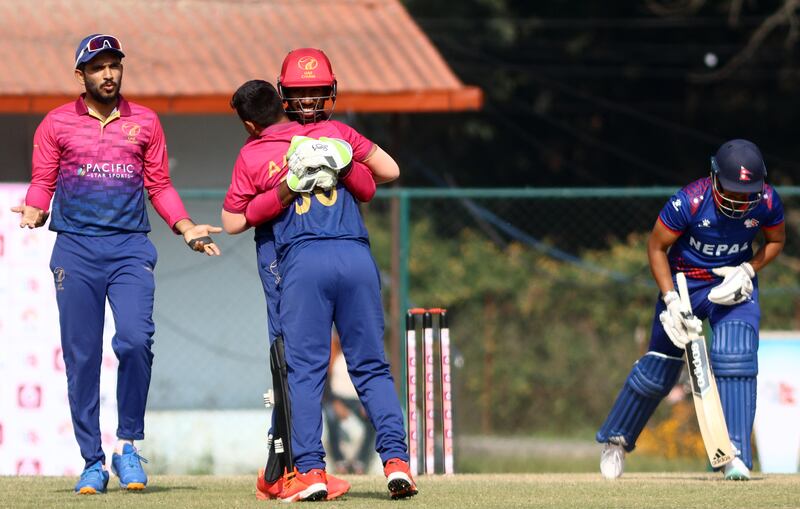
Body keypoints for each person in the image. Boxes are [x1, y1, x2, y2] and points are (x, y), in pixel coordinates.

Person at [12, 34, 221, 494]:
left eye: (114, 66)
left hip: (130, 249)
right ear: (80, 75)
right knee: (82, 358)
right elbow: (43, 179)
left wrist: (184, 226)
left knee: (134, 342)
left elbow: (159, 185)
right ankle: (92, 460)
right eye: (98, 67)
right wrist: (34, 207)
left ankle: (128, 447)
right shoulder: (55, 123)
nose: (108, 74)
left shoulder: (144, 122)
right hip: (76, 251)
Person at [222, 79, 416, 501]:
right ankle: (397, 463)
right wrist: (347, 166)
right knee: (372, 366)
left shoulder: (254, 151)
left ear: (251, 124)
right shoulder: (334, 133)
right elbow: (377, 182)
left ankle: (310, 471)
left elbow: (233, 221)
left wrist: (283, 190)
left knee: (304, 374)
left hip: (303, 261)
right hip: (356, 258)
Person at [596, 139, 785, 481]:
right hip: (684, 288)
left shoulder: (767, 201)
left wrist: (749, 270)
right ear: (715, 179)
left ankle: (735, 453)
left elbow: (776, 241)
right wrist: (670, 300)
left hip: (732, 286)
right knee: (659, 371)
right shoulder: (689, 201)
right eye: (732, 191)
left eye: (748, 193)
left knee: (736, 353)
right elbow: (656, 248)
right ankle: (616, 440)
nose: (740, 200)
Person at [324, 333, 376, 474]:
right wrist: (335, 402)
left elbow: (369, 381)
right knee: (331, 416)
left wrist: (367, 403)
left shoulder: (360, 353)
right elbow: (325, 383)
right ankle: (340, 461)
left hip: (357, 400)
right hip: (337, 398)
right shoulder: (332, 354)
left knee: (372, 420)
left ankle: (361, 461)